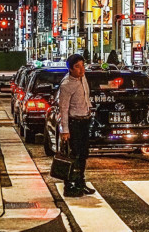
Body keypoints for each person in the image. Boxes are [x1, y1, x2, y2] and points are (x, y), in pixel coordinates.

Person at [58, 53, 95, 197]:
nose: (81, 69)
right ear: (70, 69)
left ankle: (80, 182)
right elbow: (64, 109)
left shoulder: (83, 78)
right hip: (75, 123)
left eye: (82, 66)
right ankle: (69, 186)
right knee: (73, 156)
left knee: (83, 154)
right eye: (77, 67)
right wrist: (65, 130)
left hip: (85, 120)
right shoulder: (67, 85)